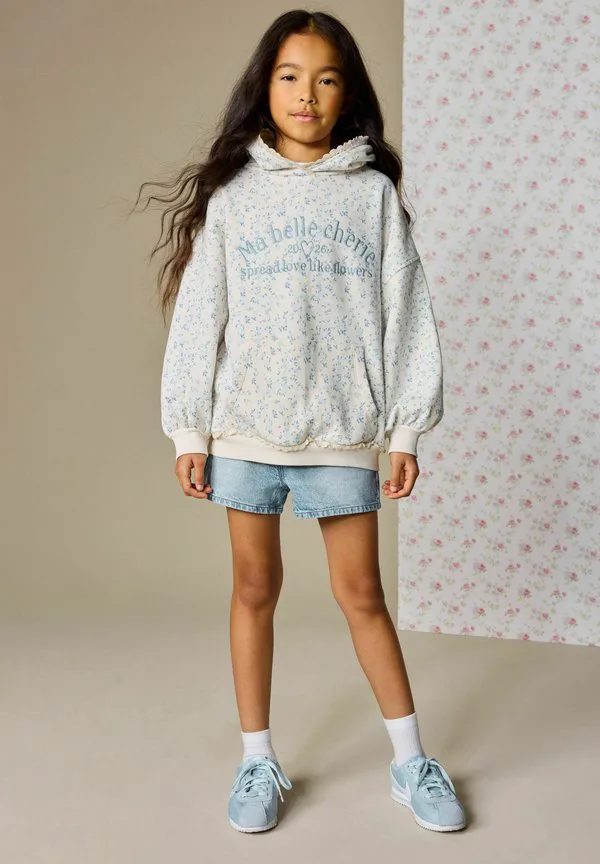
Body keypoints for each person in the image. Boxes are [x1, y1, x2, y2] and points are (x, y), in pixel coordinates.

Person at [144, 9, 466, 835]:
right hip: (245, 426)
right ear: (266, 88)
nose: (306, 94)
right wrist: (190, 431)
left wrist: (404, 432)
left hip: (342, 428)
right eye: (290, 76)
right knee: (254, 589)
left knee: (362, 593)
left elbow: (407, 314)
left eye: (326, 79)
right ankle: (257, 760)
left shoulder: (372, 197)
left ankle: (411, 762)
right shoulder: (235, 199)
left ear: (345, 94)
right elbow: (200, 316)